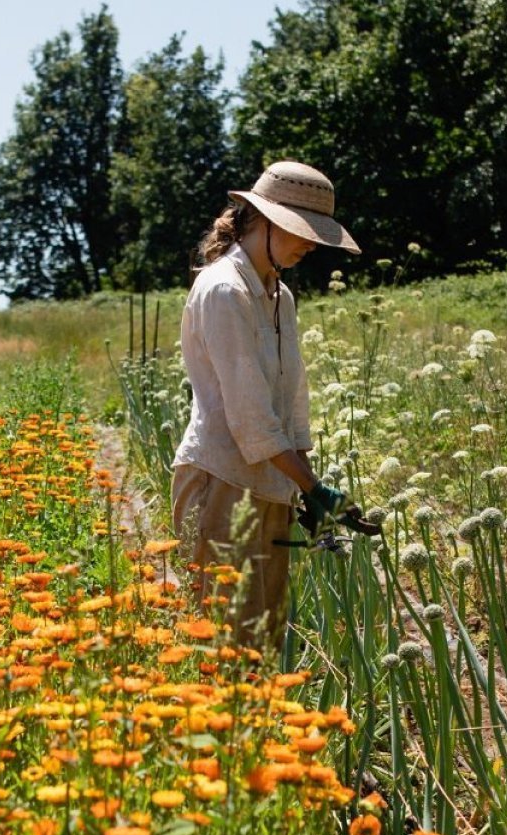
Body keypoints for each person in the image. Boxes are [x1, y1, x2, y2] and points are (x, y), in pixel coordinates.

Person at [171, 160, 360, 645]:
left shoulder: (281, 295)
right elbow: (250, 414)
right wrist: (316, 489)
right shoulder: (223, 290)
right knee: (222, 643)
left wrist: (302, 486)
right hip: (222, 481)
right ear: (265, 221)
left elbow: (292, 395)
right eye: (302, 233)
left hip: (273, 483)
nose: (311, 246)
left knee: (263, 640)